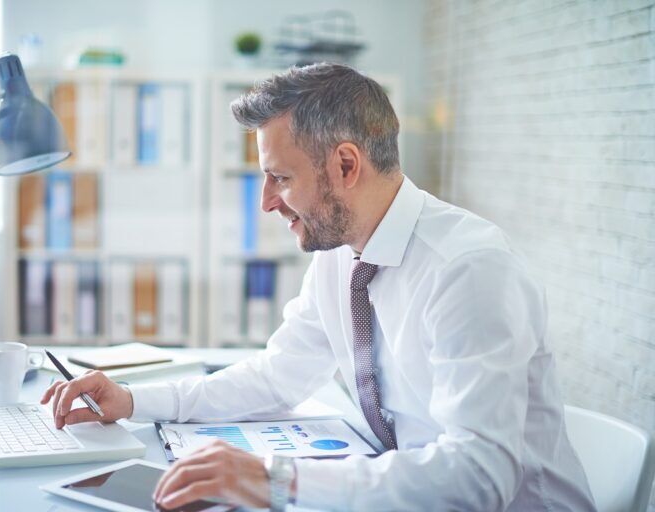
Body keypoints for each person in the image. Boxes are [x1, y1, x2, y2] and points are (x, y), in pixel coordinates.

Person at [41, 63, 596, 511]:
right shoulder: (340, 255)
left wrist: (274, 481)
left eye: (281, 178)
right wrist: (133, 401)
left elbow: (478, 478)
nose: (266, 202)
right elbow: (277, 376)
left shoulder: (468, 269)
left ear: (346, 165)